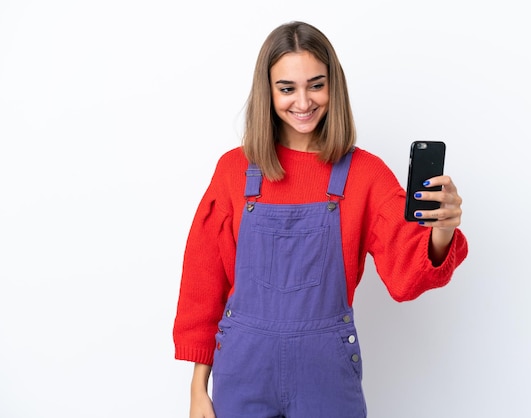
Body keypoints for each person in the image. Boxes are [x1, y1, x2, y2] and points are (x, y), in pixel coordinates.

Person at [173, 21, 468, 418]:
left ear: (334, 86)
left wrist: (442, 229)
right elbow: (203, 282)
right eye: (287, 88)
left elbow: (405, 277)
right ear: (268, 91)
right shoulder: (234, 171)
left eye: (316, 84)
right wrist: (197, 388)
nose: (303, 101)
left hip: (326, 374)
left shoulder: (366, 174)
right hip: (242, 372)